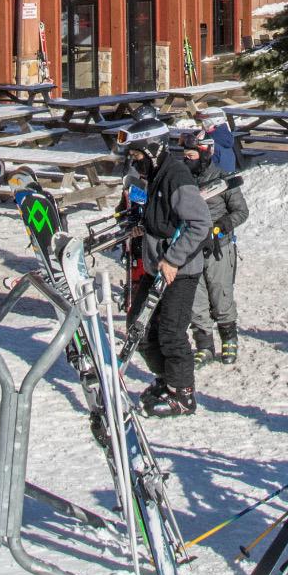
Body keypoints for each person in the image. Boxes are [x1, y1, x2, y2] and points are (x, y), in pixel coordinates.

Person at [124, 125, 211, 417]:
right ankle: (167, 380)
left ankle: (183, 394)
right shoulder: (153, 176)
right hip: (155, 266)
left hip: (180, 270)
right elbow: (160, 218)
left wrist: (173, 259)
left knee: (171, 332)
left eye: (138, 155)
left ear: (153, 151)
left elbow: (199, 223)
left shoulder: (176, 176)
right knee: (140, 329)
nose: (135, 161)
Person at [182, 117, 248, 366]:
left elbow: (241, 211)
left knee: (221, 294)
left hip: (219, 245)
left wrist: (220, 228)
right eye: (186, 155)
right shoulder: (183, 180)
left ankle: (229, 339)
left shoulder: (222, 178)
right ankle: (204, 344)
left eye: (193, 154)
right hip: (190, 247)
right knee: (196, 299)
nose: (189, 159)